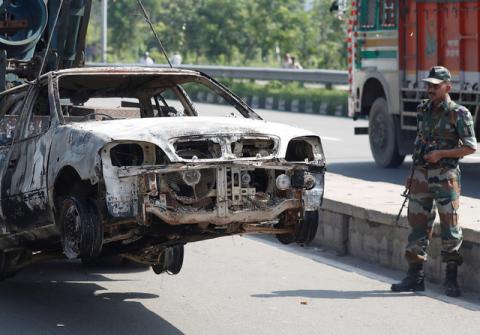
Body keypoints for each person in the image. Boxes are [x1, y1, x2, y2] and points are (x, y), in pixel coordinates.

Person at [390, 66, 477, 297]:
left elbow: (470, 147)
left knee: (450, 228)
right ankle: (415, 277)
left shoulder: (459, 113)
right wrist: (411, 173)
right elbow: (419, 143)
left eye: (435, 86)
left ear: (448, 87)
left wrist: (441, 155)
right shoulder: (423, 109)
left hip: (446, 178)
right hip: (421, 176)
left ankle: (451, 279)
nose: (430, 89)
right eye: (428, 85)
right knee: (418, 225)